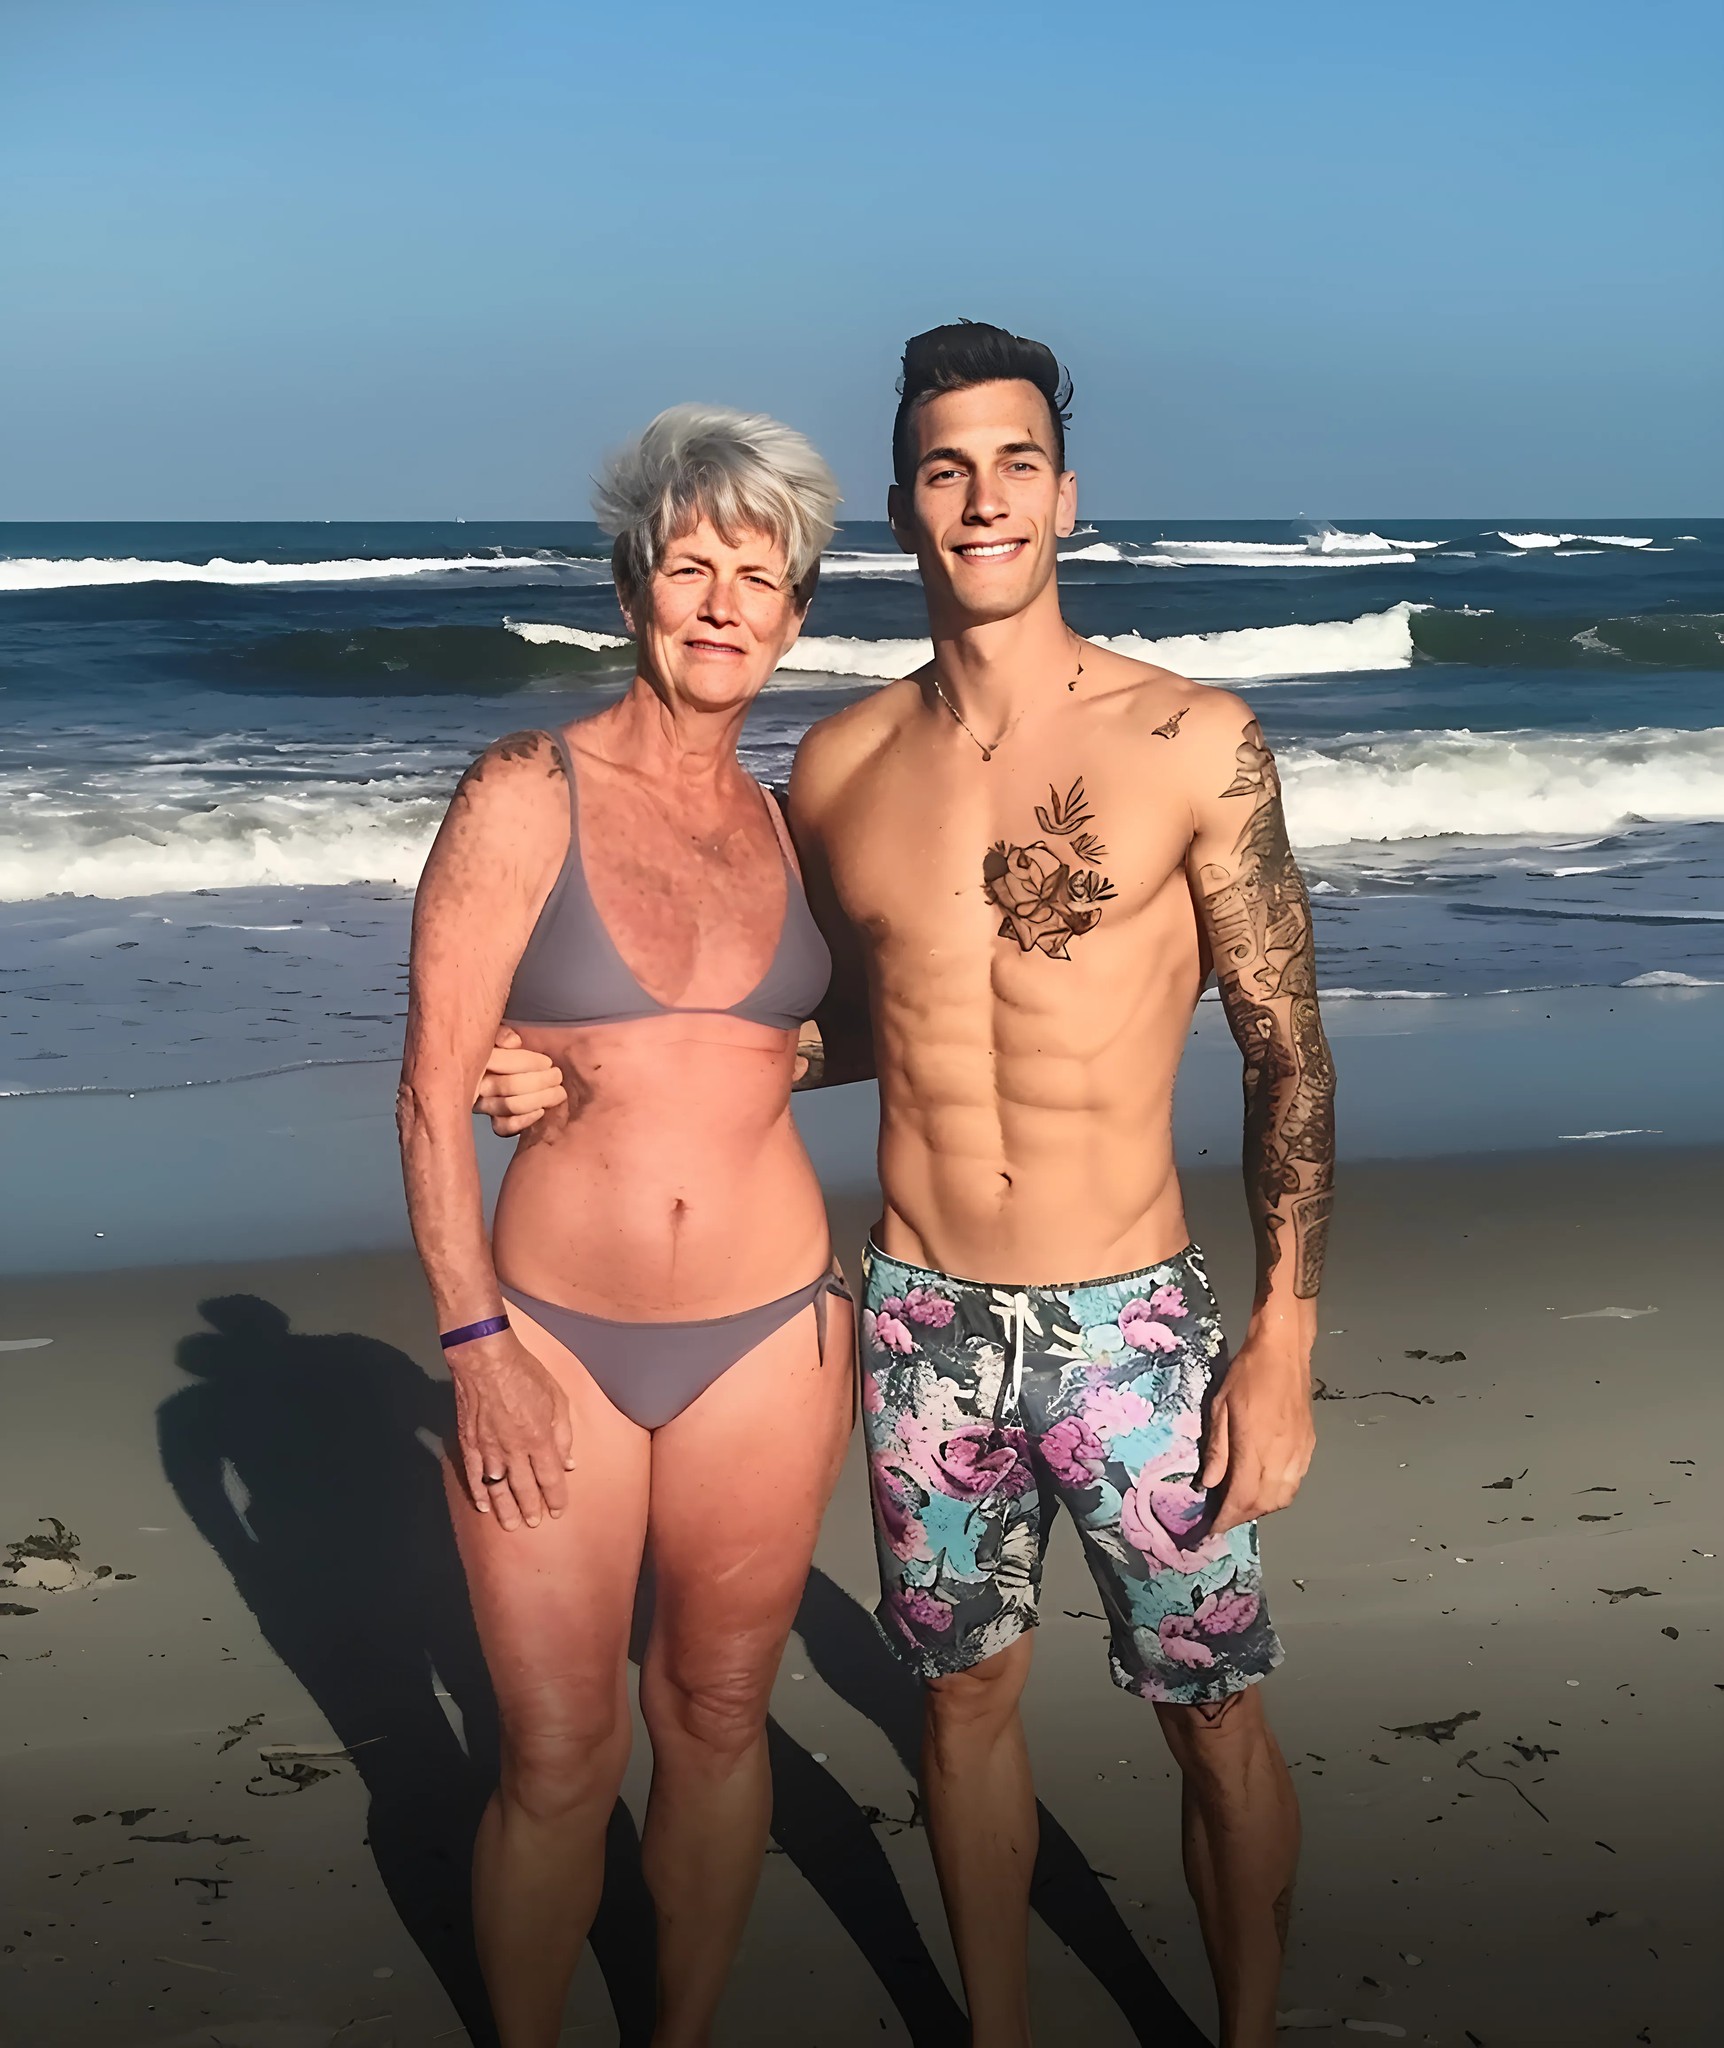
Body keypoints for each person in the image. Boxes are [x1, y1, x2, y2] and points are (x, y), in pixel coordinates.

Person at [479, 323, 1335, 2048]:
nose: (983, 498)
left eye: (1016, 464)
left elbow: (1287, 1054)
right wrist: (594, 1065)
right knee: (959, 1709)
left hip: (1133, 1326)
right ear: (901, 509)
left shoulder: (1193, 737)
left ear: (1067, 498)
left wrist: (1284, 1336)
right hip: (923, 1322)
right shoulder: (842, 768)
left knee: (1213, 1711)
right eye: (947, 469)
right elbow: (828, 1025)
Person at [398, 403, 855, 2048]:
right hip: (552, 1341)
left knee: (719, 1715)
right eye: (690, 568)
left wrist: (800, 1050)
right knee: (558, 1753)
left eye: (759, 576)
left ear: (795, 613)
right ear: (630, 590)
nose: (722, 605)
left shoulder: (795, 821)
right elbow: (428, 1089)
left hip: (773, 1333)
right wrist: (475, 1345)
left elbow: (886, 1023)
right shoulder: (528, 790)